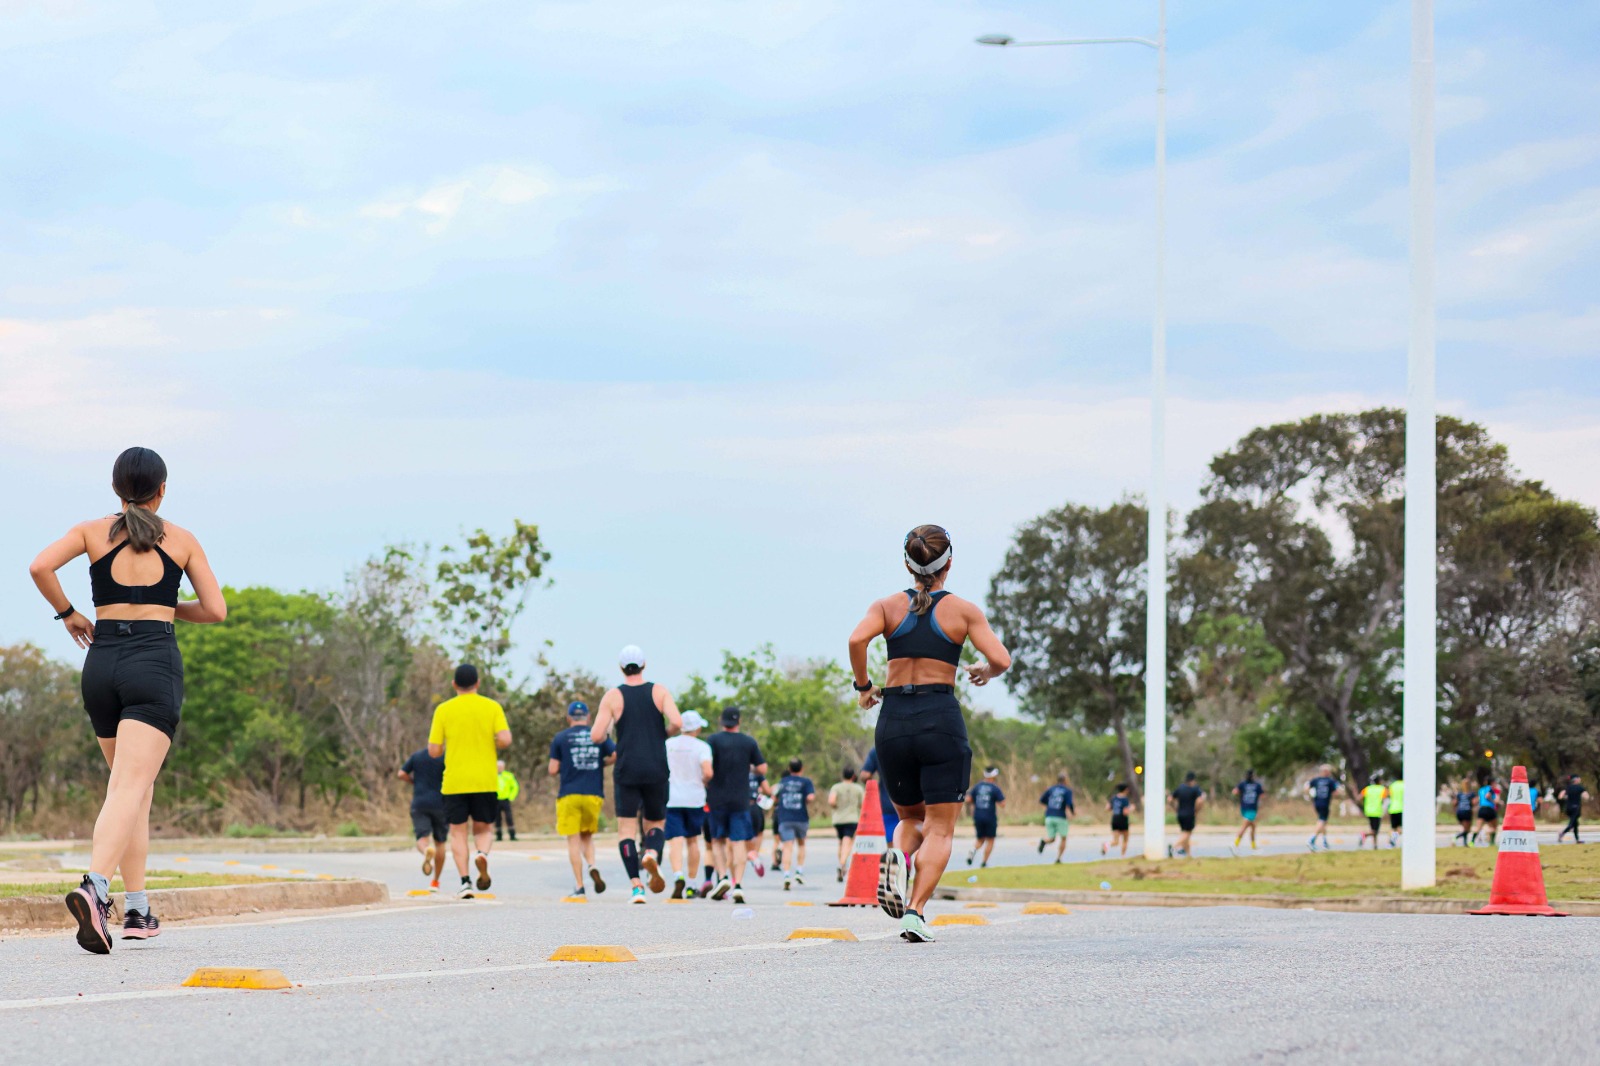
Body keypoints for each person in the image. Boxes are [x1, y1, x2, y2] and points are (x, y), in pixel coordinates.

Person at [29, 447, 227, 952]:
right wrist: (164, 607)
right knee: (128, 790)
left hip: (101, 664)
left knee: (133, 789)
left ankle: (137, 909)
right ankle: (96, 888)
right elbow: (215, 610)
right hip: (152, 665)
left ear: (116, 489)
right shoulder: (180, 539)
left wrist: (70, 613)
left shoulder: (92, 531)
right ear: (163, 489)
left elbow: (39, 567)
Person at [848, 525, 1011, 943]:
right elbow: (1001, 659)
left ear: (907, 564)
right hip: (940, 718)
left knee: (910, 818)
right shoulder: (963, 611)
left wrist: (865, 687)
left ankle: (898, 855)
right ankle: (915, 912)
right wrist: (982, 671)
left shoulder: (886, 607)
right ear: (949, 563)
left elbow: (856, 639)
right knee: (940, 829)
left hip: (894, 721)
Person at [590, 645, 683, 904]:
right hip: (655, 766)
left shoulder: (613, 696)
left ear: (621, 668)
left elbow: (596, 736)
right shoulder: (659, 690)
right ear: (644, 665)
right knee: (656, 823)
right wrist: (660, 734)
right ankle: (651, 852)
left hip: (627, 767)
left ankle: (637, 886)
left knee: (626, 830)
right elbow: (677, 722)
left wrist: (612, 731)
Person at [428, 664, 511, 898]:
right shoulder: (491, 707)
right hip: (485, 780)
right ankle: (482, 854)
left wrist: (447, 744)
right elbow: (505, 739)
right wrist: (489, 741)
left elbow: (434, 750)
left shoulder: (443, 710)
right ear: (478, 683)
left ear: (454, 684)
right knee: (483, 828)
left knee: (458, 832)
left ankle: (465, 882)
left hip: (455, 781)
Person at [548, 700, 615, 896]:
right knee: (587, 836)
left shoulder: (561, 738)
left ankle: (579, 885)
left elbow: (552, 769)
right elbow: (616, 755)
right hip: (593, 793)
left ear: (569, 718)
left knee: (573, 841)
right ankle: (592, 865)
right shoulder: (598, 736)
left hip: (569, 794)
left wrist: (567, 765)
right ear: (588, 717)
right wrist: (600, 764)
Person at [705, 706, 766, 903]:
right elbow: (762, 767)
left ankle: (722, 877)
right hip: (741, 799)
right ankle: (738, 884)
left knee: (718, 840)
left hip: (716, 798)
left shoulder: (712, 740)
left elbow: (706, 768)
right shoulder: (748, 742)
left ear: (722, 721)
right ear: (738, 721)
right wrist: (747, 767)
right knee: (738, 842)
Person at [664, 710, 714, 899]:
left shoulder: (668, 744)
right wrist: (702, 781)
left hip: (672, 798)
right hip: (694, 798)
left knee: (675, 840)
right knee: (693, 840)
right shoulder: (702, 747)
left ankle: (678, 874)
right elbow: (708, 772)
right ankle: (692, 884)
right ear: (698, 727)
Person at [399, 747, 448, 891]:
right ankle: (435, 882)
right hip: (441, 803)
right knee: (440, 843)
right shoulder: (446, 758)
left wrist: (414, 782)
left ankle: (426, 850)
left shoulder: (417, 756)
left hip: (419, 803)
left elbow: (401, 773)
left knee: (422, 838)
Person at [775, 759, 816, 889]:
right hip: (801, 817)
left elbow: (774, 796)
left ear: (789, 768)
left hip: (785, 818)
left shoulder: (782, 782)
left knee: (787, 846)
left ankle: (786, 874)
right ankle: (799, 871)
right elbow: (810, 797)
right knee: (802, 844)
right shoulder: (806, 782)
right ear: (801, 769)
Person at [828, 767, 865, 882]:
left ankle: (842, 866)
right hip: (852, 818)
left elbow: (831, 801)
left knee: (841, 842)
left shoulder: (836, 787)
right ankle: (842, 864)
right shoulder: (858, 788)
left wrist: (836, 807)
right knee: (847, 842)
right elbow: (863, 804)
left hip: (838, 819)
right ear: (853, 776)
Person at [860, 747, 900, 849]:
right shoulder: (910, 742)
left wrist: (875, 786)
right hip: (914, 802)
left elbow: (865, 775)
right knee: (911, 842)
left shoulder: (878, 750)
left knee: (892, 843)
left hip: (889, 803)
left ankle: (896, 861)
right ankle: (906, 861)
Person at [964, 767, 1005, 868]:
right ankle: (984, 862)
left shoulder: (977, 787)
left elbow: (968, 799)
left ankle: (972, 850)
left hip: (977, 816)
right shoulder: (994, 788)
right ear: (993, 776)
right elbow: (1002, 804)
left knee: (980, 839)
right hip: (990, 817)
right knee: (990, 840)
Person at [1037, 772, 1075, 862]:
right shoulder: (1067, 790)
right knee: (1063, 838)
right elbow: (1070, 804)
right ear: (1065, 780)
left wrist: (1049, 806)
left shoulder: (1051, 789)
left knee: (1051, 838)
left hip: (1049, 816)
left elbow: (1041, 800)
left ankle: (1044, 841)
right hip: (1060, 816)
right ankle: (1058, 858)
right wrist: (1073, 813)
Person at [1305, 765, 1343, 852]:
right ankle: (1311, 839)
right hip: (1325, 803)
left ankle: (1325, 842)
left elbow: (1306, 788)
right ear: (1326, 772)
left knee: (1323, 822)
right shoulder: (1330, 781)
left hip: (1317, 803)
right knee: (1322, 821)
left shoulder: (1315, 780)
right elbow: (1338, 791)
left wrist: (1311, 796)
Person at [1168, 773, 1205, 859]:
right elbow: (1200, 801)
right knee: (1187, 833)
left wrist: (1175, 808)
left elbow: (1170, 799)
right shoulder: (1195, 789)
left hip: (1180, 814)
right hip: (1190, 813)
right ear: (1193, 780)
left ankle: (1188, 855)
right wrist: (1197, 810)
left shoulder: (1180, 788)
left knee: (1184, 832)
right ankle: (1174, 847)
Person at [746, 766, 772, 885]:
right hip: (754, 805)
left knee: (739, 836)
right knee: (759, 831)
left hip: (739, 806)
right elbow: (768, 790)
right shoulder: (757, 773)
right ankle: (755, 854)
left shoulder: (736, 769)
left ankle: (750, 854)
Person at [1231, 770, 1264, 853]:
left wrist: (1241, 793)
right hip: (1252, 808)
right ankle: (1235, 844)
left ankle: (1253, 846)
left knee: (1253, 827)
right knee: (1245, 827)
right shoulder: (1257, 785)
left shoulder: (1243, 784)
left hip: (1244, 808)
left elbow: (1234, 792)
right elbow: (1262, 795)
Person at [1101, 784, 1134, 857]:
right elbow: (1125, 812)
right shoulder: (1125, 799)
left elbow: (1107, 808)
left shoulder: (1113, 798)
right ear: (1125, 790)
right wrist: (1131, 808)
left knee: (1116, 841)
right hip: (1122, 819)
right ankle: (1123, 856)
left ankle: (1107, 844)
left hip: (1115, 819)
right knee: (1125, 839)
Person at [1357, 774, 1388, 850]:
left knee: (1373, 829)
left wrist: (1363, 805)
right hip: (1377, 811)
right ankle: (1364, 835)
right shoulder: (1382, 789)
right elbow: (1384, 799)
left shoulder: (1367, 789)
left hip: (1368, 811)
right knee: (1375, 831)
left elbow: (1359, 798)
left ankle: (1375, 845)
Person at [495, 760, 519, 842]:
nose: (499, 768)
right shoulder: (492, 776)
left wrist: (511, 797)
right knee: (497, 818)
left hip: (506, 799)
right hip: (496, 800)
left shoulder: (508, 776)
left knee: (509, 817)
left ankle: (512, 835)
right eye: (498, 767)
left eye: (500, 767)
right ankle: (498, 836)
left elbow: (515, 787)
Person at [1557, 774, 1586, 844]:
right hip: (1576, 808)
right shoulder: (1580, 788)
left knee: (1575, 823)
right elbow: (1586, 796)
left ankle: (1577, 840)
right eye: (1579, 778)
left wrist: (1567, 797)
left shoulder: (1568, 788)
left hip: (1568, 808)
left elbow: (1560, 796)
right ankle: (1562, 833)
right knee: (1571, 824)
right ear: (1576, 780)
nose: (1580, 780)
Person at [1471, 775, 1499, 846]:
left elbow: (1477, 800)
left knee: (1478, 827)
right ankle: (1491, 842)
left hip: (1482, 809)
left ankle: (1471, 842)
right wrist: (1494, 802)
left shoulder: (1481, 789)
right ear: (1492, 782)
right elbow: (1488, 796)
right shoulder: (1491, 789)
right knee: (1494, 827)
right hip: (1489, 809)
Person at [1452, 779, 1475, 845]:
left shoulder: (1459, 794)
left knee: (1465, 829)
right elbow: (1474, 802)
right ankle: (1455, 837)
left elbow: (1454, 803)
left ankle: (1465, 843)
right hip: (1467, 812)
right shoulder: (1471, 794)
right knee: (1467, 830)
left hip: (1460, 812)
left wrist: (1455, 811)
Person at [1387, 776, 1405, 848]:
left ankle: (1390, 843)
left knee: (1393, 828)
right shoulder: (1404, 785)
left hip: (1392, 808)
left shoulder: (1392, 785)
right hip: (1401, 808)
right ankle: (1394, 839)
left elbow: (1389, 795)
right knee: (1400, 828)